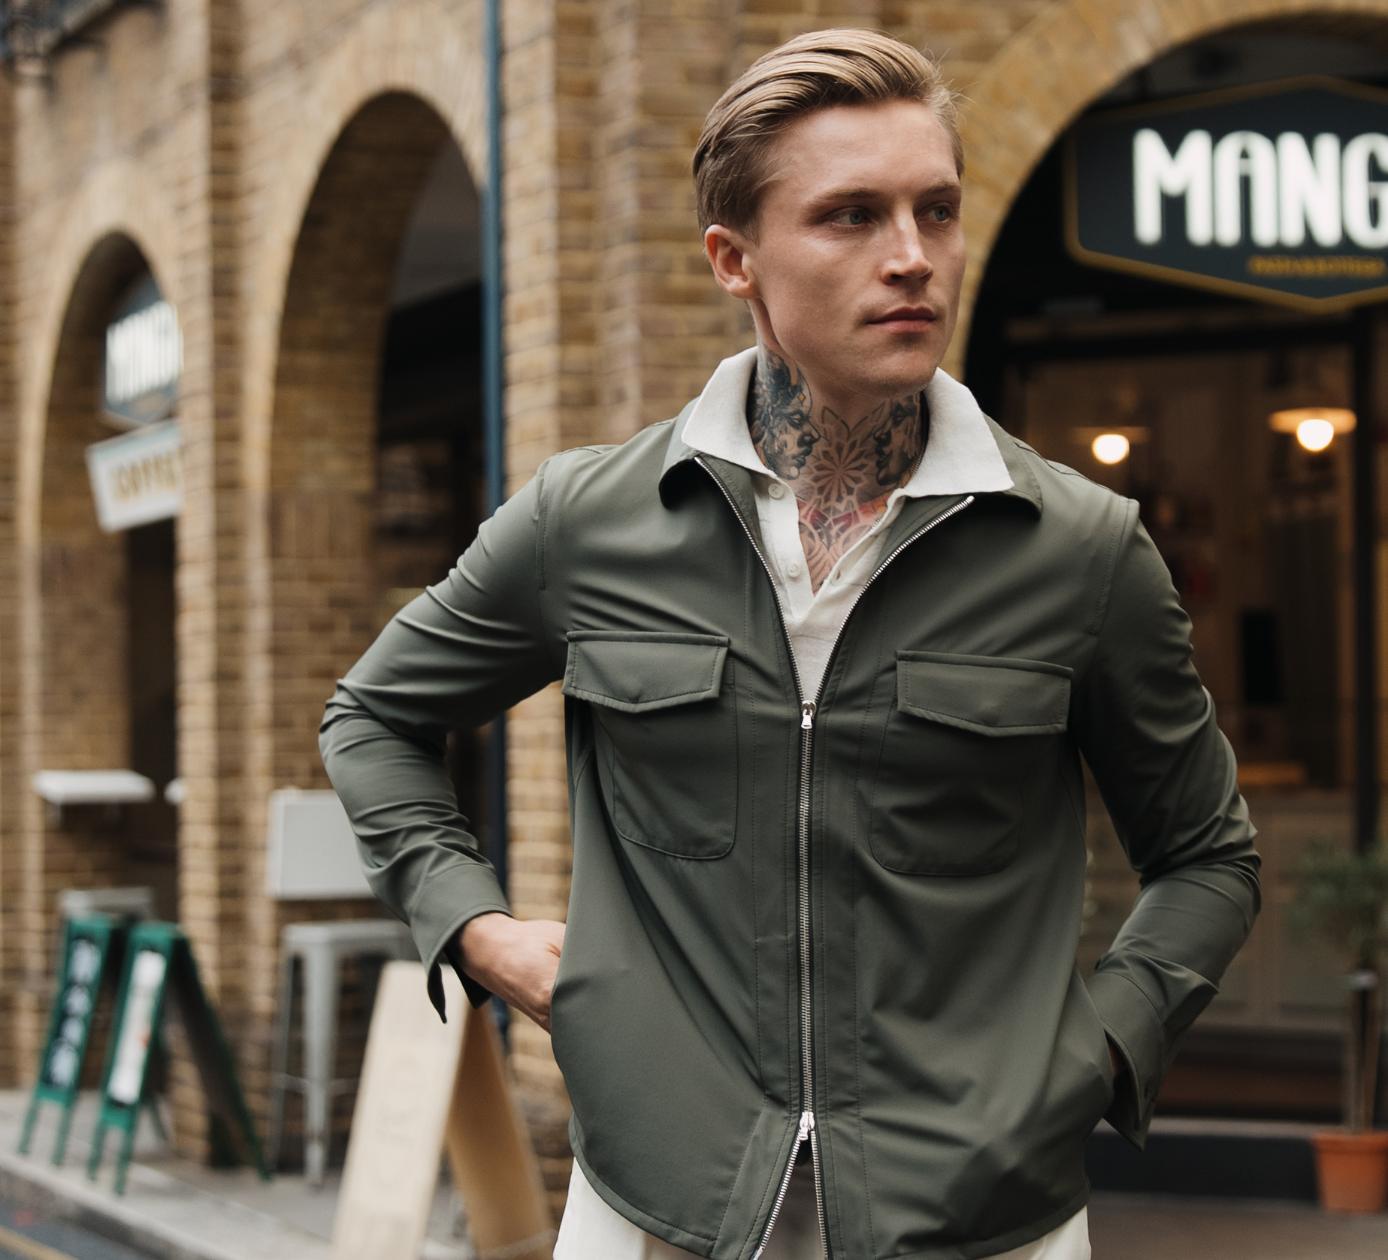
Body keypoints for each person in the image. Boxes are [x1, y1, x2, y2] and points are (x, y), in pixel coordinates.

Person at [320, 28, 1259, 1260]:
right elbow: (374, 716)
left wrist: (1092, 1055)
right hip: (657, 1202)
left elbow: (1204, 856)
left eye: (935, 210)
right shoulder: (588, 521)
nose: (911, 256)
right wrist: (476, 930)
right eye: (850, 216)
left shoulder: (1078, 548)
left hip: (979, 1217)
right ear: (734, 260)